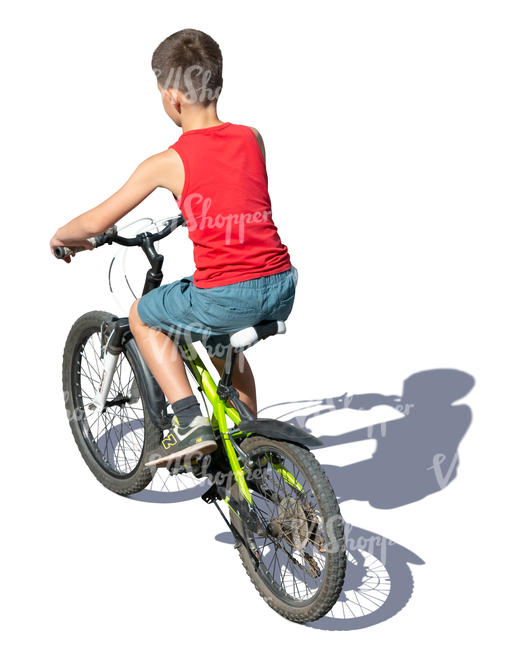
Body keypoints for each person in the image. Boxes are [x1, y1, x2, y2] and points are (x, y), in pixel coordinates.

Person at [50, 28, 298, 468]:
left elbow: (96, 221)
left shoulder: (167, 162)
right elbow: (240, 198)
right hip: (281, 284)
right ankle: (250, 451)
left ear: (172, 97)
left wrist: (65, 237)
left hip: (227, 293)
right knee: (223, 342)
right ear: (218, 83)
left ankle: (188, 423)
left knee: (142, 314)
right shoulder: (252, 138)